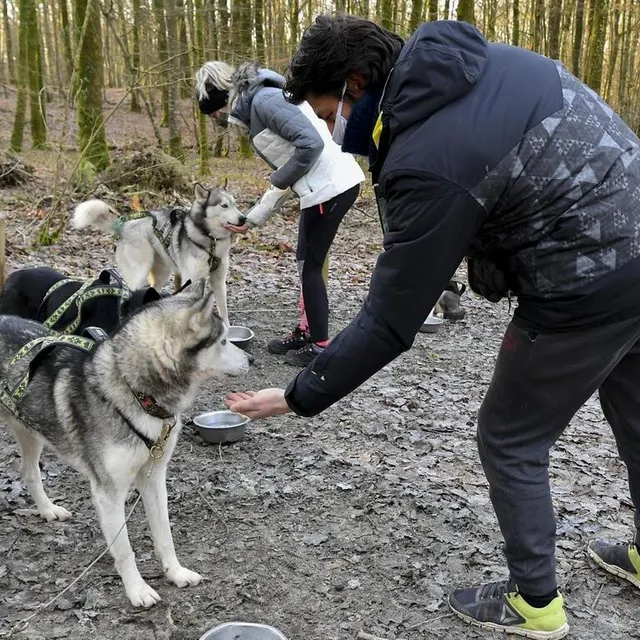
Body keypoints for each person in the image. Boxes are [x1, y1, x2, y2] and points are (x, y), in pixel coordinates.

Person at [226, 14, 640, 640]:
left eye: (326, 109)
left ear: (358, 85)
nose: (327, 128)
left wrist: (297, 393)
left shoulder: (428, 159)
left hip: (584, 281)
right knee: (635, 413)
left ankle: (536, 602)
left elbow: (391, 321)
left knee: (509, 437)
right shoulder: (484, 62)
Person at [195, 60, 365, 367]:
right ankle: (306, 330)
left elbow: (309, 146)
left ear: (221, 98)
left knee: (310, 265)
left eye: (212, 113)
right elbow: (291, 168)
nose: (215, 119)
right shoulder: (256, 107)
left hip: (332, 188)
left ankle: (320, 345)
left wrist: (278, 178)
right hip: (318, 190)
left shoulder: (264, 100)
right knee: (304, 262)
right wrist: (253, 218)